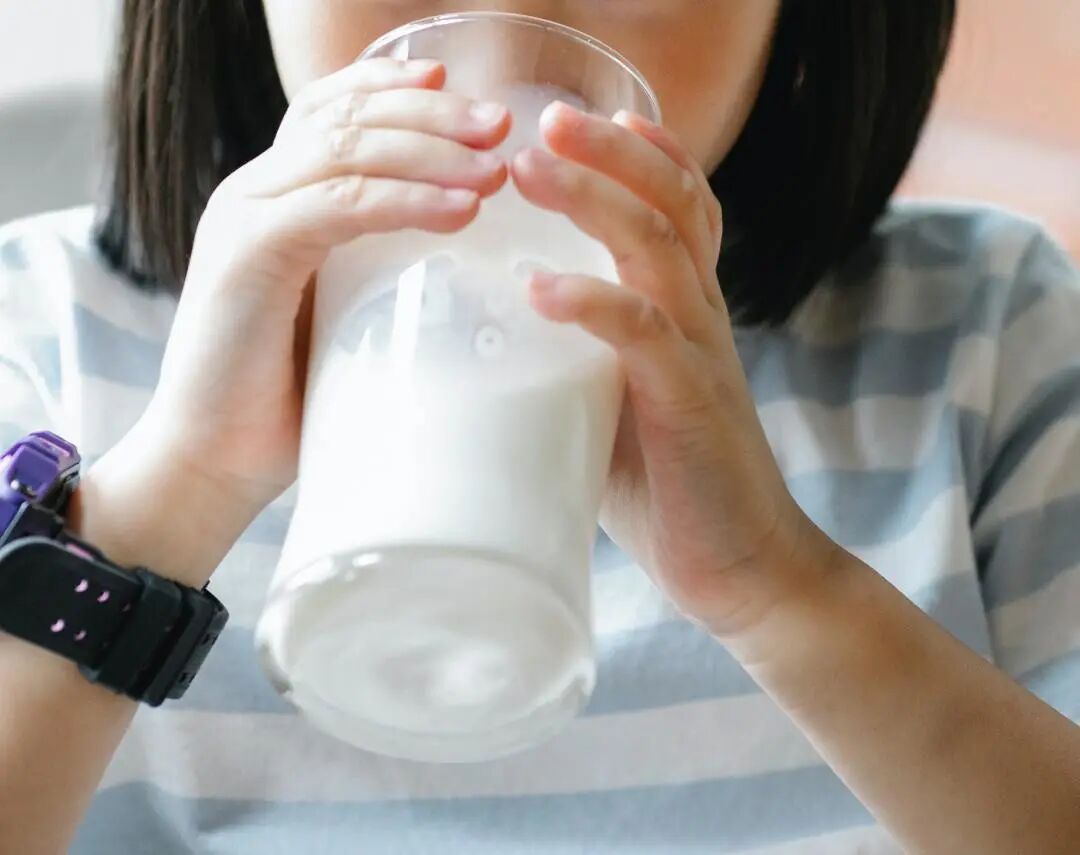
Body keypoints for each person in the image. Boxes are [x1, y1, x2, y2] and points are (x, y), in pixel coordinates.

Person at [1, 1, 1078, 852]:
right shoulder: (45, 337)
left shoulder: (987, 334)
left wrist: (777, 585)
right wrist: (174, 491)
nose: (504, 55)